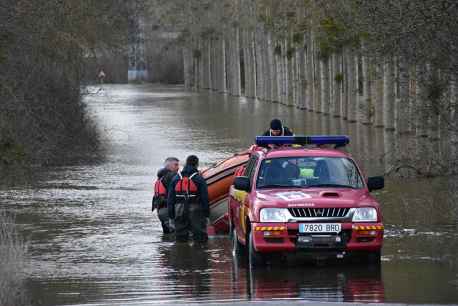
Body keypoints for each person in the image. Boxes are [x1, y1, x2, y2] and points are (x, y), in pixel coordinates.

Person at [168, 155, 209, 243]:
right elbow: (205, 198)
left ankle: (181, 253)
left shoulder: (176, 178)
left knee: (180, 236)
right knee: (200, 236)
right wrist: (206, 214)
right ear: (197, 164)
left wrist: (171, 215)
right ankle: (200, 253)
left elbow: (170, 198)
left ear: (186, 163)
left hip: (179, 208)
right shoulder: (199, 179)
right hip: (195, 208)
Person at [152, 157, 180, 234]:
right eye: (176, 165)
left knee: (167, 236)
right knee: (176, 235)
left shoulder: (160, 177)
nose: (178, 167)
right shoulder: (171, 176)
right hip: (168, 211)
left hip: (160, 211)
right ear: (168, 166)